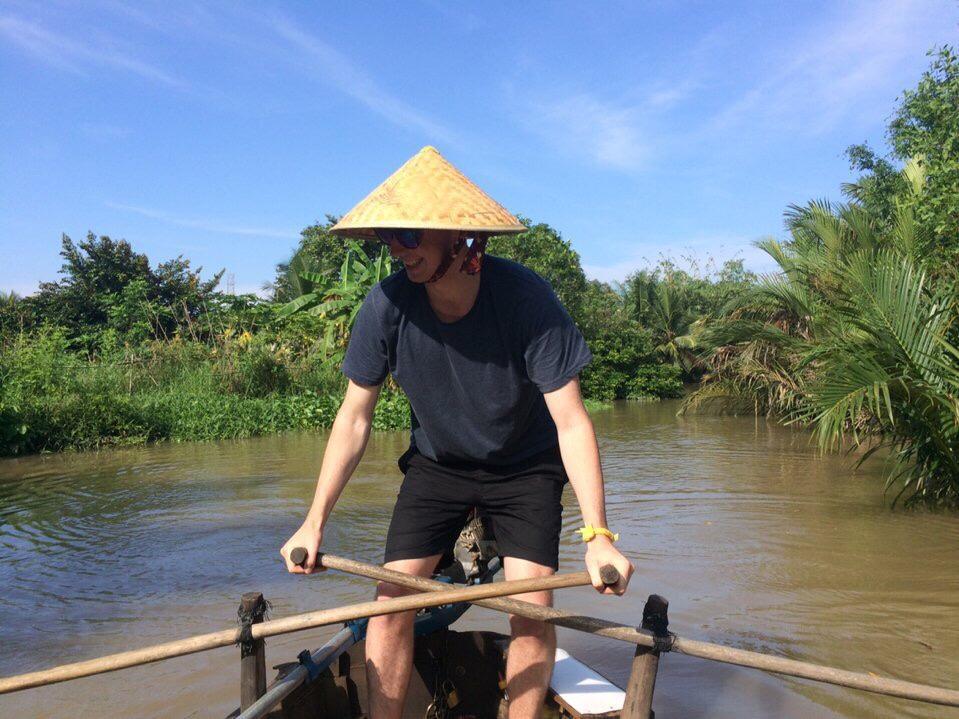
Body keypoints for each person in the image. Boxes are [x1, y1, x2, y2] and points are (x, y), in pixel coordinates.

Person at [281, 146, 633, 719]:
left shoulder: (526, 300)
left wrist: (598, 536)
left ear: (462, 240)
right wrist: (313, 521)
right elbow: (354, 417)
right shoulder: (386, 306)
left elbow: (571, 421)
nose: (398, 250)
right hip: (438, 466)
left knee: (531, 608)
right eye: (390, 238)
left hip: (525, 467)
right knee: (391, 602)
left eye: (411, 235)